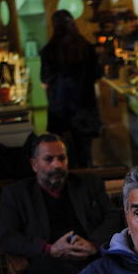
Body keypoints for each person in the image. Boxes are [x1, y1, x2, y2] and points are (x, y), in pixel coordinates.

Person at [0, 134, 120, 274]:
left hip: (89, 259)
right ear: (34, 164)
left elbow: (113, 217)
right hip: (49, 268)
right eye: (49, 159)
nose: (57, 165)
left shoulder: (89, 184)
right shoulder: (16, 194)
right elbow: (7, 238)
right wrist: (50, 249)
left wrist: (93, 244)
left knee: (114, 264)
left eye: (62, 158)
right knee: (46, 270)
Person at [40, 10, 101, 169]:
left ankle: (70, 186)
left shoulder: (49, 51)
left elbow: (45, 79)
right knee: (85, 153)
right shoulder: (86, 48)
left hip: (60, 108)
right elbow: (96, 74)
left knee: (63, 153)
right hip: (84, 105)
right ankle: (87, 182)